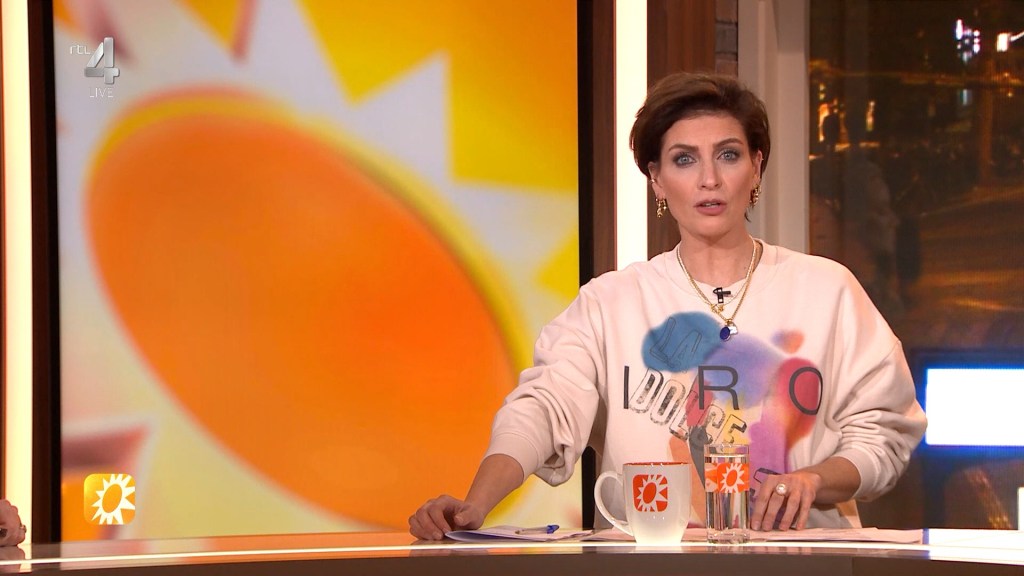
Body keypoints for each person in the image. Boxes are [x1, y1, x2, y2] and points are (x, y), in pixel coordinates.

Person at [409, 72, 926, 540]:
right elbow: (542, 410)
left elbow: (884, 429)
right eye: (684, 159)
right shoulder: (610, 303)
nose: (709, 179)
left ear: (756, 167)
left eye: (728, 155)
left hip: (800, 561)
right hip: (651, 564)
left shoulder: (826, 290)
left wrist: (814, 479)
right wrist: (476, 505)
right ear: (656, 179)